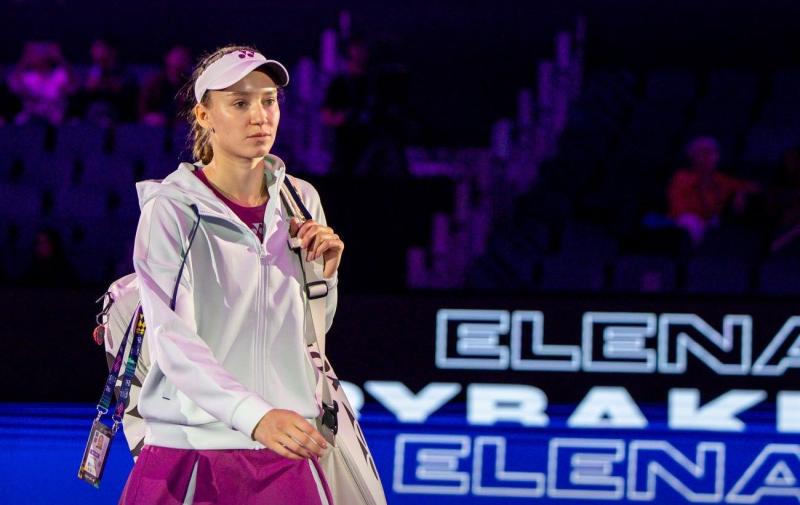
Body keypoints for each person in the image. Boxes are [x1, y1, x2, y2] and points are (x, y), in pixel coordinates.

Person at [120, 45, 344, 504]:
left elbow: (308, 338)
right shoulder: (172, 209)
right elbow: (172, 341)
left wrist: (326, 277)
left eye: (268, 100)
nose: (259, 115)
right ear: (205, 115)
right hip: (192, 452)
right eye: (240, 103)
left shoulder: (301, 200)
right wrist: (254, 416)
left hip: (286, 446)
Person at [667, 136, 759, 244]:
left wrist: (741, 192)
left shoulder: (720, 179)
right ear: (693, 157)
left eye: (714, 153)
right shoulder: (682, 178)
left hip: (712, 222)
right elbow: (678, 209)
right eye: (705, 153)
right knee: (690, 222)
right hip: (688, 221)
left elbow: (752, 187)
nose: (711, 157)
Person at [7, 41, 77, 125]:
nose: (34, 57)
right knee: (19, 121)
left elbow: (73, 86)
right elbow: (13, 86)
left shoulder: (59, 74)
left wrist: (60, 58)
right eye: (33, 55)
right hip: (31, 115)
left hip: (55, 114)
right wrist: (24, 60)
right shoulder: (28, 77)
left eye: (38, 54)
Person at [139, 45, 193, 126]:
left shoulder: (191, 85)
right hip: (156, 126)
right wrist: (149, 117)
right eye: (176, 55)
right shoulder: (154, 82)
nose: (180, 59)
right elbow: (142, 108)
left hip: (181, 127)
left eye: (183, 55)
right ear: (167, 57)